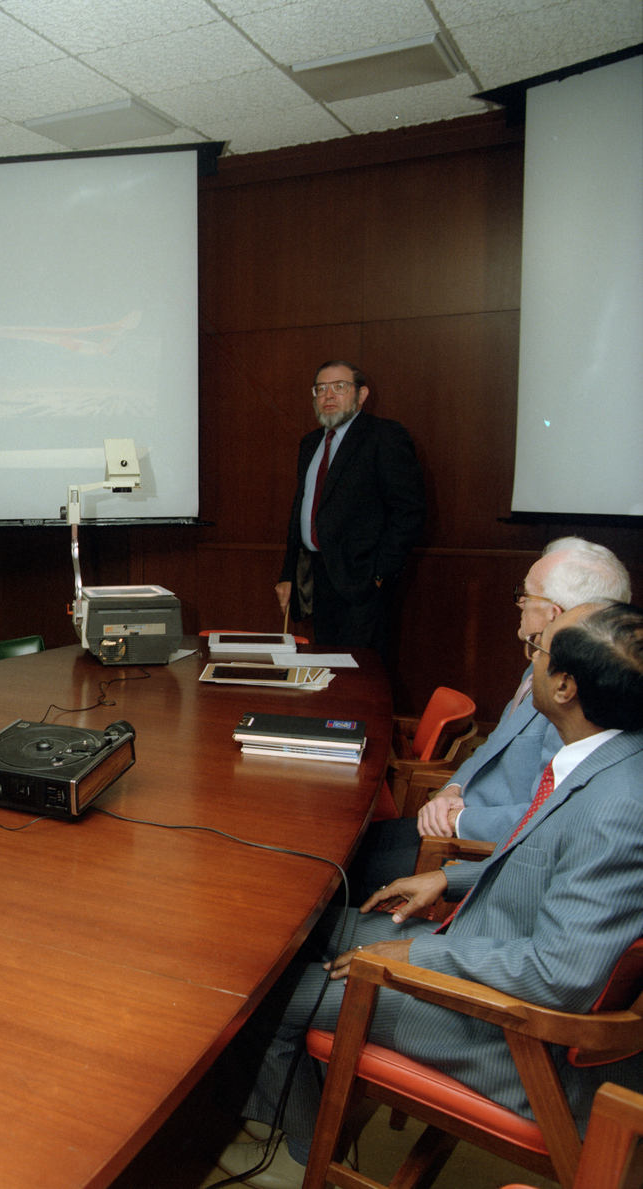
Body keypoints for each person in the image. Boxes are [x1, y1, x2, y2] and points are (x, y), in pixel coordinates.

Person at [217, 600, 643, 1188]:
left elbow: (562, 973)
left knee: (261, 995)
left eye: (541, 649)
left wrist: (420, 955)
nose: (532, 652)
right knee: (277, 933)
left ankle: (298, 1161)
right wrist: (450, 877)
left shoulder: (620, 806)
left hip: (508, 1036)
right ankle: (299, 1109)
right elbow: (553, 866)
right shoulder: (611, 759)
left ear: (566, 687)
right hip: (481, 950)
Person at [347, 536, 631, 899]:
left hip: (482, 849)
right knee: (342, 840)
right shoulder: (539, 662)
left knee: (335, 874)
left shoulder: (578, 702)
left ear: (553, 615)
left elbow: (549, 818)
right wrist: (453, 790)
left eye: (526, 594)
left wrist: (459, 819)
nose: (520, 602)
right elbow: (494, 747)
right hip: (456, 818)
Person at [274, 361, 425, 659]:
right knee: (327, 668)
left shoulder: (384, 436)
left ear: (362, 394)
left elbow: (409, 511)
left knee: (359, 675)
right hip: (316, 578)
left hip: (362, 582)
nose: (329, 395)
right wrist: (288, 573)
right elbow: (301, 513)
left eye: (339, 387)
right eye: (321, 389)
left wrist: (380, 573)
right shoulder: (311, 443)